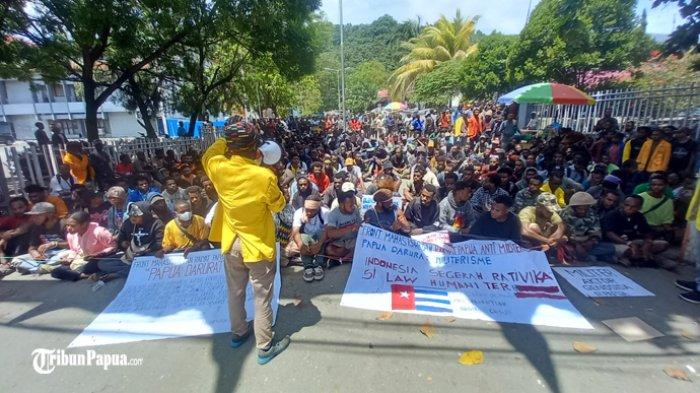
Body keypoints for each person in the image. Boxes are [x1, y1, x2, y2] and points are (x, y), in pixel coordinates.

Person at [202, 120, 290, 364]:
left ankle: (239, 332)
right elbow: (279, 205)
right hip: (257, 245)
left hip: (231, 242)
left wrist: (226, 140)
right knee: (261, 296)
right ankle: (264, 347)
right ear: (255, 146)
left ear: (230, 145)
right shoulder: (263, 176)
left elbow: (210, 152)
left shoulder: (218, 166)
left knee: (235, 291)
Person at [602, 195, 673, 268]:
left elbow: (647, 231)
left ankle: (640, 256)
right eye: (627, 205)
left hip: (634, 241)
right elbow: (609, 234)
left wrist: (648, 241)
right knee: (628, 250)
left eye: (633, 207)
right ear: (622, 204)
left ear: (639, 208)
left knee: (663, 244)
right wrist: (628, 243)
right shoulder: (613, 214)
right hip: (616, 243)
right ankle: (647, 257)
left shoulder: (639, 216)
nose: (629, 208)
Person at [49, 211, 117, 281]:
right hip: (82, 260)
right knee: (55, 272)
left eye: (72, 226)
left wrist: (97, 255)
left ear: (84, 224)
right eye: (67, 225)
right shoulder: (70, 235)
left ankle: (81, 274)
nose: (68, 228)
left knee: (90, 267)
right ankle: (84, 275)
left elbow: (113, 247)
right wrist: (69, 258)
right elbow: (74, 250)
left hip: (99, 259)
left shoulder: (99, 232)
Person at [11, 203, 66, 274]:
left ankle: (40, 268)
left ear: (50, 214)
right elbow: (32, 248)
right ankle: (49, 268)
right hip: (46, 255)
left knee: (64, 256)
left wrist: (54, 244)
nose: (34, 219)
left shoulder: (63, 223)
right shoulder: (36, 227)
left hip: (62, 252)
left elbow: (73, 245)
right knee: (16, 260)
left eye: (37, 216)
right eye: (33, 216)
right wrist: (35, 254)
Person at [560, 192, 615, 262]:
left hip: (586, 241)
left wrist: (591, 242)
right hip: (570, 241)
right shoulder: (565, 214)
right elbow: (564, 233)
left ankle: (587, 255)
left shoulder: (592, 214)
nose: (583, 211)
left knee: (610, 248)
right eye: (579, 209)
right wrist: (577, 244)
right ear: (574, 207)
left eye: (585, 209)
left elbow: (596, 232)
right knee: (566, 246)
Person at [290, 195, 329, 282]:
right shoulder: (298, 213)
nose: (309, 213)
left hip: (319, 237)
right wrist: (301, 245)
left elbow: (327, 230)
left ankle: (318, 265)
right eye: (307, 210)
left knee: (322, 233)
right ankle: (308, 266)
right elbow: (295, 232)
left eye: (313, 210)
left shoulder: (325, 212)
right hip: (306, 237)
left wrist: (319, 245)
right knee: (302, 237)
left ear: (318, 208)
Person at [324, 191, 362, 260]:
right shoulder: (333, 214)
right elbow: (330, 233)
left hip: (354, 240)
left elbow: (360, 224)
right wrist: (348, 229)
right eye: (350, 205)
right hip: (341, 242)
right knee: (329, 250)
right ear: (341, 205)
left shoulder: (355, 209)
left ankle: (346, 257)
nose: (353, 207)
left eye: (354, 204)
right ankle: (349, 255)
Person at [638, 173, 675, 241]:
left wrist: (670, 231)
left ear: (666, 186)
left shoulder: (668, 201)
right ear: (650, 185)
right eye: (654, 185)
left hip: (655, 230)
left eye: (660, 185)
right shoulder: (640, 197)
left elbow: (667, 221)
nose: (656, 187)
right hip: (639, 228)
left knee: (663, 245)